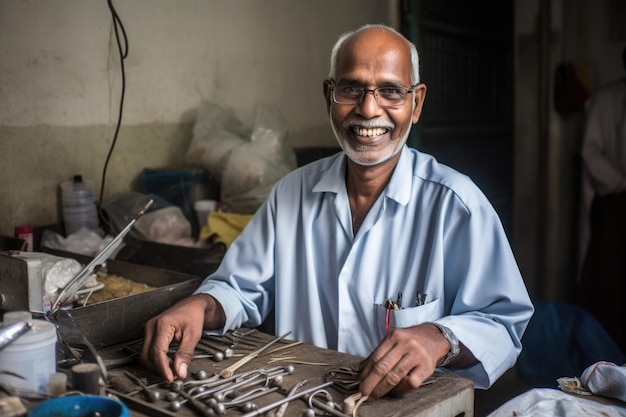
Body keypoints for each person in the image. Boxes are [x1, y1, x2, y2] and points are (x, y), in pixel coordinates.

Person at [140, 23, 534, 400]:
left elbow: (502, 323)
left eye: (391, 91)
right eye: (351, 88)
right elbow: (242, 288)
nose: (368, 109)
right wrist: (200, 305)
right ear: (329, 95)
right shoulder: (292, 192)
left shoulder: (455, 204)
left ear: (416, 103)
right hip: (298, 398)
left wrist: (439, 338)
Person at [576, 46, 626, 352]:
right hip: (617, 205)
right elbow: (590, 152)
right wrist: (621, 183)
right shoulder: (607, 99)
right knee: (610, 286)